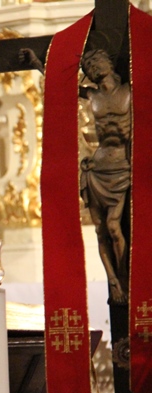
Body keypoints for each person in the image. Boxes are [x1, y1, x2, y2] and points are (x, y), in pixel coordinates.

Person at [79, 49, 131, 305]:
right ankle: (114, 281)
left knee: (114, 226)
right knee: (101, 230)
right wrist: (37, 63)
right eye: (88, 65)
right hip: (98, 167)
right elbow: (59, 87)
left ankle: (125, 278)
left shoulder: (130, 91)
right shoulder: (92, 95)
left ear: (109, 62)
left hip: (123, 166)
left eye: (97, 61)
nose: (93, 66)